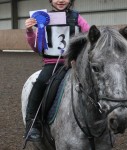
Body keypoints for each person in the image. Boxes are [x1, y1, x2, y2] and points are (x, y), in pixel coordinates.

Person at [25, 0, 90, 142]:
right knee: (40, 82)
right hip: (53, 63)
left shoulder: (77, 18)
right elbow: (37, 47)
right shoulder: (43, 18)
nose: (61, 0)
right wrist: (30, 31)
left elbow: (90, 35)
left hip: (73, 63)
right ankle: (32, 123)